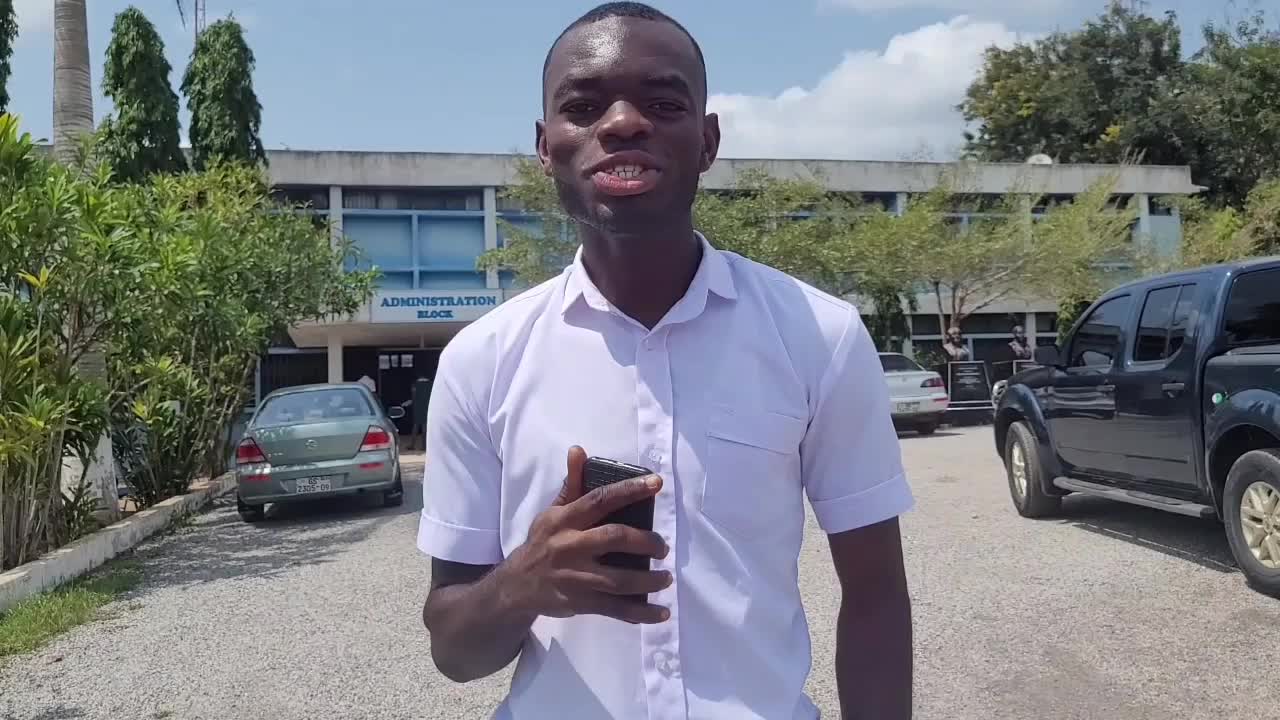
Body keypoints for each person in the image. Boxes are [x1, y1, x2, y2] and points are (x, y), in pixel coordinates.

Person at [417, 4, 914, 718]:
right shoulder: (481, 361)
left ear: (707, 142)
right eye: (583, 106)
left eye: (663, 103)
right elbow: (455, 653)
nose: (623, 122)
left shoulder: (819, 336)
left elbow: (875, 595)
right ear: (546, 146)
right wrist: (523, 582)